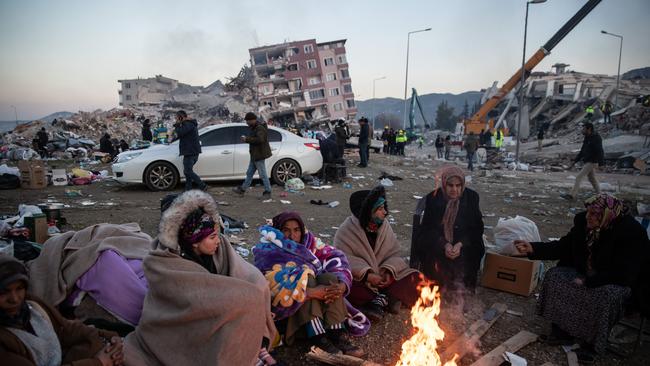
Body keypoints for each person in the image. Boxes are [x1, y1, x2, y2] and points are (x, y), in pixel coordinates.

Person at [124, 190, 277, 366]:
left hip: (216, 306)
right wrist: (237, 300)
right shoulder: (165, 261)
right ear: (194, 241)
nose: (218, 240)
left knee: (252, 295)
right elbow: (191, 300)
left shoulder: (216, 245)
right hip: (182, 323)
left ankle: (250, 348)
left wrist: (256, 296)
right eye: (212, 237)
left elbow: (245, 272)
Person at [514, 194, 648, 360]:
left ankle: (592, 344)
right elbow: (564, 246)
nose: (588, 217)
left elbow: (625, 272)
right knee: (555, 276)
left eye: (594, 215)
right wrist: (533, 248)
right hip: (587, 271)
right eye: (588, 212)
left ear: (607, 215)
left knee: (604, 295)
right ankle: (562, 330)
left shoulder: (631, 232)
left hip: (617, 280)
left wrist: (589, 281)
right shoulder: (582, 223)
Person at [253, 212, 368, 357]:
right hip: (291, 318)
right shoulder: (268, 251)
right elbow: (272, 286)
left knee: (330, 278)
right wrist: (311, 292)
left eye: (296, 230)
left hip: (321, 313)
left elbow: (335, 258)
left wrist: (341, 285)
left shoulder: (310, 244)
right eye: (286, 230)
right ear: (278, 231)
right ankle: (318, 337)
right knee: (307, 278)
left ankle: (336, 333)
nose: (292, 235)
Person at [0, 256, 124, 366]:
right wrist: (98, 362)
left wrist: (109, 338)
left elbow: (64, 328)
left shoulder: (31, 305)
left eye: (19, 288)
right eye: (4, 292)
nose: (14, 299)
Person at [333, 186, 421, 321]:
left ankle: (382, 299)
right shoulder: (346, 231)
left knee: (416, 278)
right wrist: (367, 275)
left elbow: (394, 253)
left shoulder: (384, 226)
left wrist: (388, 271)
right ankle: (382, 300)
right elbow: (343, 260)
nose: (385, 212)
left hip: (384, 278)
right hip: (362, 281)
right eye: (380, 209)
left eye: (384, 207)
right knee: (346, 287)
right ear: (368, 211)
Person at [410, 165, 485, 298]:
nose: (454, 190)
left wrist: (460, 244)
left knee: (477, 246)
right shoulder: (434, 198)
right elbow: (427, 229)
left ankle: (465, 288)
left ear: (463, 185)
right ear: (444, 184)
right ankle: (436, 286)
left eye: (458, 185)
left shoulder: (472, 198)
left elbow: (476, 228)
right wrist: (444, 244)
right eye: (450, 185)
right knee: (427, 247)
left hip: (462, 244)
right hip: (440, 242)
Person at [233, 112, 273, 197]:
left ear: (253, 120)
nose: (247, 123)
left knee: (263, 174)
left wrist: (247, 139)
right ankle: (243, 189)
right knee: (249, 173)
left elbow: (260, 139)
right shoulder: (254, 127)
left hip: (259, 155)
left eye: (248, 121)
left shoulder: (259, 128)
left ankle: (268, 191)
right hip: (255, 155)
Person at [561, 122, 604, 201]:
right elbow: (582, 151)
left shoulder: (596, 138)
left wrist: (601, 163)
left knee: (579, 177)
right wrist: (574, 162)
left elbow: (600, 151)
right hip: (587, 160)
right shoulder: (587, 137)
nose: (582, 130)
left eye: (584, 129)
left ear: (589, 129)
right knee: (592, 179)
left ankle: (571, 195)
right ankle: (600, 195)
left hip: (592, 161)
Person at [174, 110, 206, 191]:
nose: (175, 119)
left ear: (181, 117)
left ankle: (202, 185)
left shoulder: (188, 124)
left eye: (176, 117)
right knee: (187, 171)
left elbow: (180, 132)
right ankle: (188, 188)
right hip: (189, 151)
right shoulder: (188, 124)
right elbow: (180, 135)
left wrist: (177, 124)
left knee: (188, 171)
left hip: (191, 152)